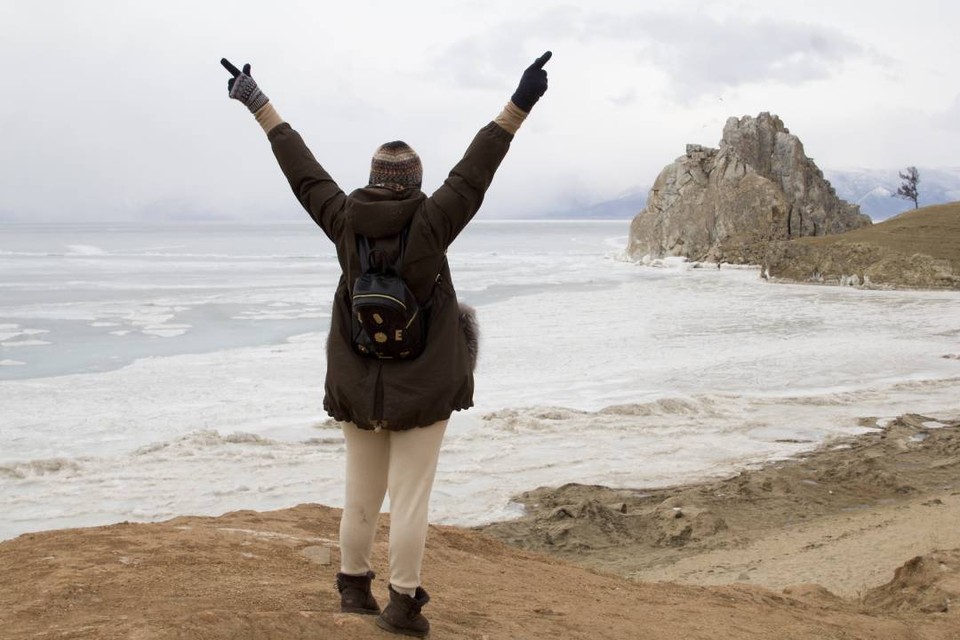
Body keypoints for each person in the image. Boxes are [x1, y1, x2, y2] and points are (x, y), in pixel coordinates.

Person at [221, 51, 551, 637]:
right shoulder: (432, 222)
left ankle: (353, 588)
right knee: (411, 498)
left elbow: (302, 169)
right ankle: (402, 604)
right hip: (422, 386)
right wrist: (519, 102)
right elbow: (476, 171)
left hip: (357, 382)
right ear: (416, 183)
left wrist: (257, 101)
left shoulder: (343, 218)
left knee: (360, 494)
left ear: (373, 180)